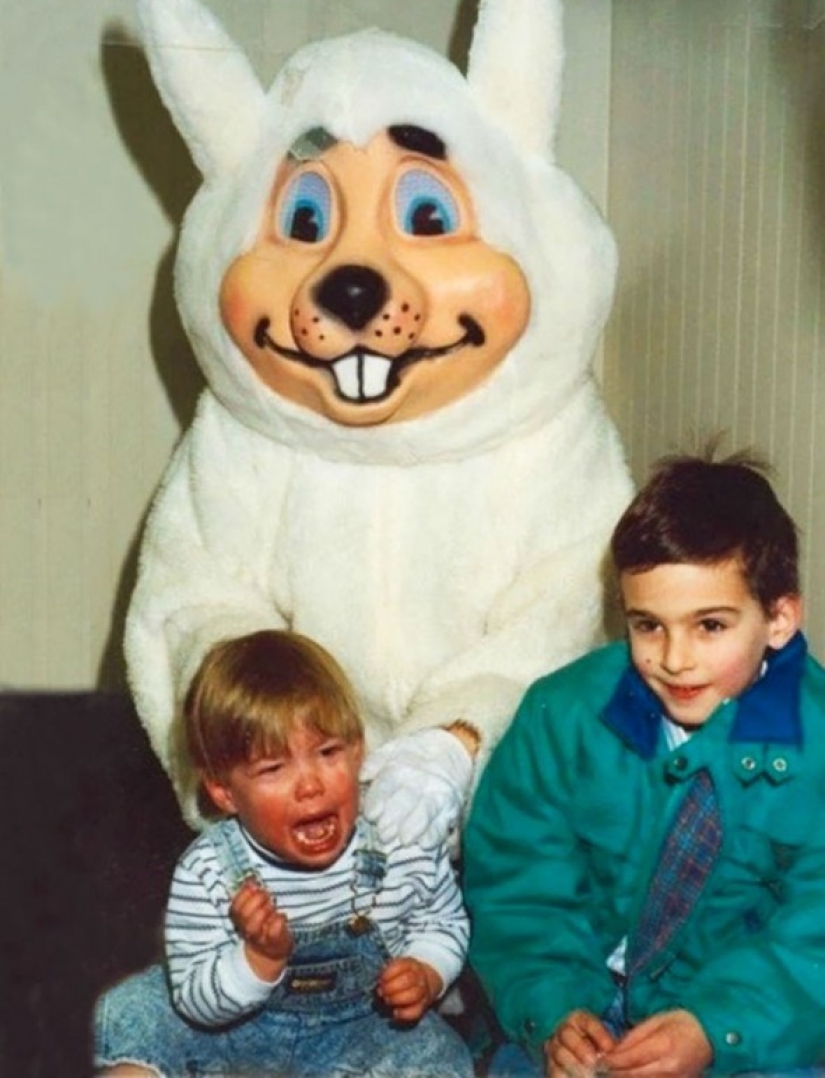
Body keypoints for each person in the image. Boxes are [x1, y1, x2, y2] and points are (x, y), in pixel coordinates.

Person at [462, 451, 825, 1078]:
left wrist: (716, 1028)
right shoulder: (560, 714)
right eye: (648, 625)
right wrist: (555, 1011)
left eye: (710, 626)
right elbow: (517, 884)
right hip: (586, 1006)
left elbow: (813, 936)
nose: (675, 659)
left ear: (779, 619)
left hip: (747, 1027)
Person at [94, 629, 473, 1078]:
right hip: (228, 1033)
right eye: (274, 768)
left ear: (358, 752)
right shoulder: (209, 869)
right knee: (143, 1015)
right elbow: (196, 997)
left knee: (439, 1059)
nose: (310, 784)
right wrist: (258, 959)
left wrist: (427, 971)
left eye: (329, 752)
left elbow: (443, 922)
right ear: (225, 793)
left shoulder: (399, 841)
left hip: (359, 1029)